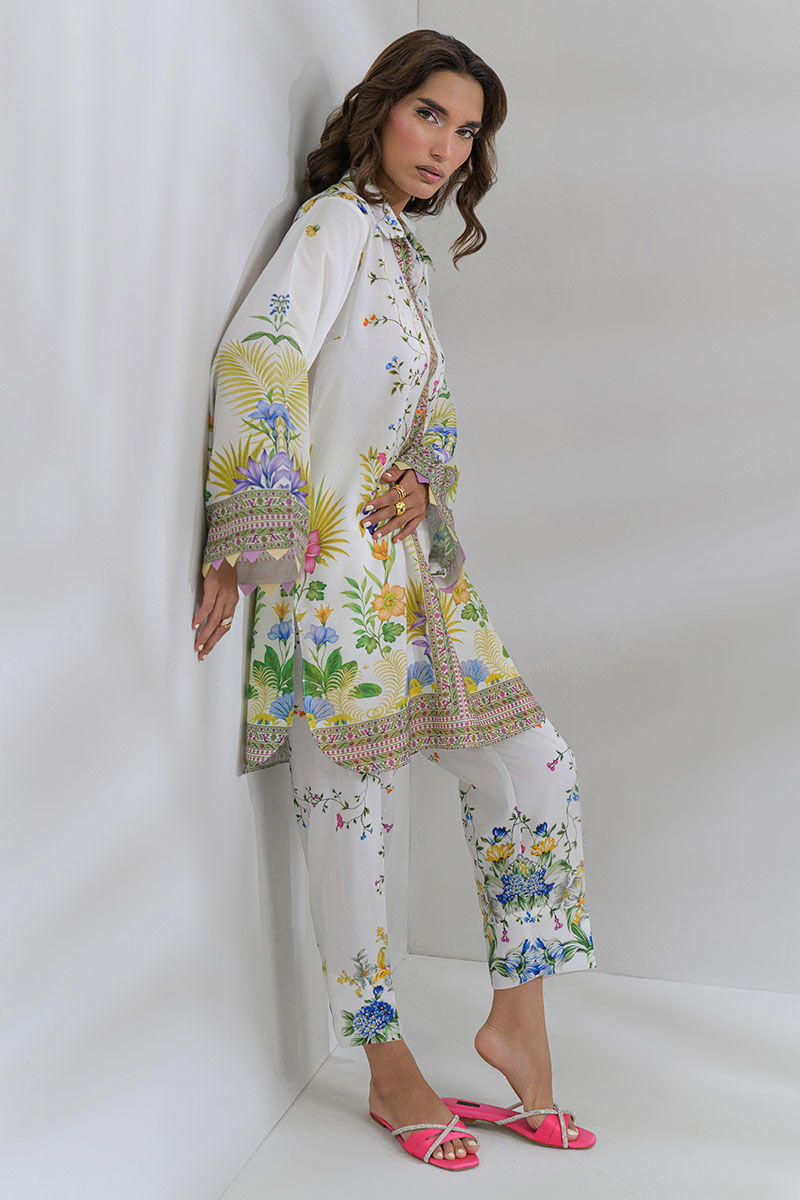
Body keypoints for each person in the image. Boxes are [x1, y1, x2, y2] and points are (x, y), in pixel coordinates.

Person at [193, 29, 597, 1171]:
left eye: (466, 132)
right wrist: (242, 535)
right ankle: (384, 1063)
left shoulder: (398, 252)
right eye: (431, 115)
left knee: (534, 764)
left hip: (417, 581)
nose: (446, 148)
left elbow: (419, 406)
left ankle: (518, 1018)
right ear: (379, 107)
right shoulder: (332, 225)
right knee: (350, 817)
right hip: (328, 580)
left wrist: (425, 469)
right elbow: (258, 357)